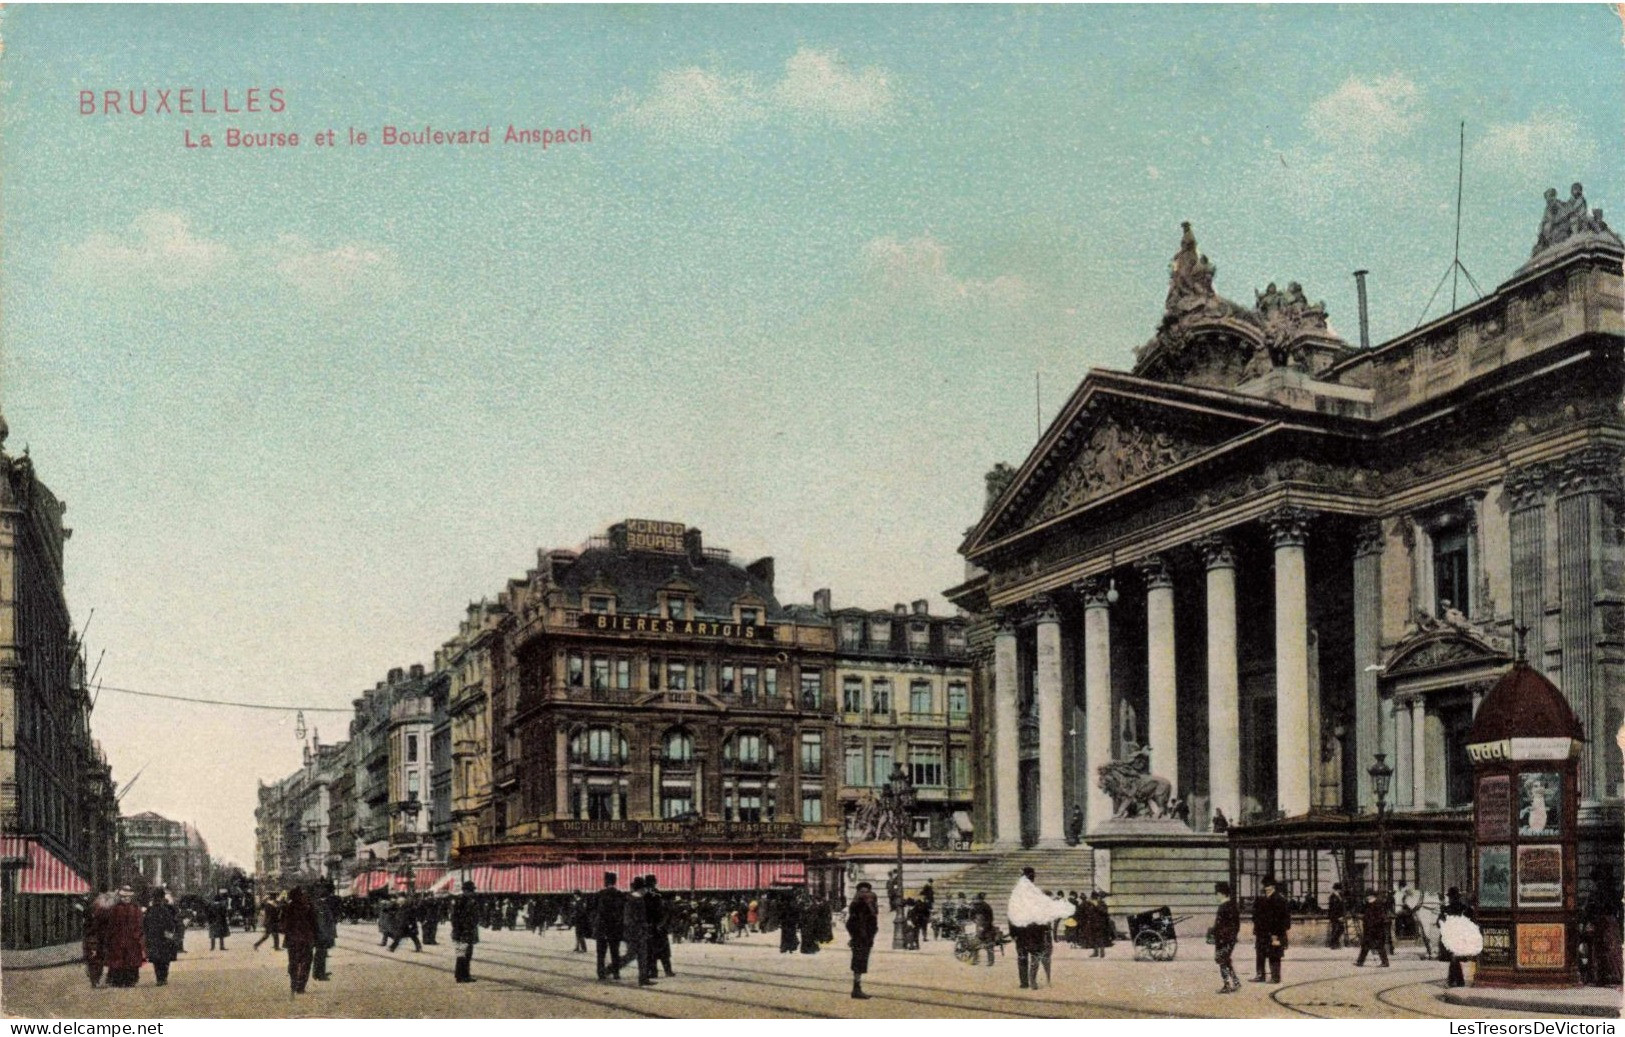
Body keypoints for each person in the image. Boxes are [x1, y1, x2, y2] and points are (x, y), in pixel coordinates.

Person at [1007, 867, 1071, 990]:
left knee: (1023, 957)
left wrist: (1013, 932)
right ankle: (1032, 981)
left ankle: (1025, 982)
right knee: (1034, 955)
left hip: (1022, 932)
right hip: (1033, 932)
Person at [102, 885, 146, 988]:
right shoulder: (115, 909)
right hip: (118, 939)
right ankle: (118, 980)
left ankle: (130, 980)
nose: (126, 899)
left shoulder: (135, 908)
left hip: (131, 939)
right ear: (121, 897)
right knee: (119, 960)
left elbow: (140, 924)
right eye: (124, 897)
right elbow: (111, 924)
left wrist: (138, 935)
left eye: (128, 897)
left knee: (130, 960)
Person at [1251, 877, 1291, 984]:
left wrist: (1277, 934)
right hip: (1262, 933)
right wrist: (1256, 928)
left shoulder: (1280, 900)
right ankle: (1260, 975)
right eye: (1265, 887)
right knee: (1260, 954)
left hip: (1275, 933)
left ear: (1273, 887)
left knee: (1274, 955)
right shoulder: (1261, 899)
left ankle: (1275, 977)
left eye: (1268, 886)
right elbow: (1255, 915)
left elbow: (1284, 919)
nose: (1266, 889)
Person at [142, 888, 183, 987]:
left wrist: (147, 935)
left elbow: (145, 924)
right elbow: (172, 923)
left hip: (154, 937)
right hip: (164, 937)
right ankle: (163, 978)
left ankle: (159, 978)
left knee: (157, 960)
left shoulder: (150, 910)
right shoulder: (167, 909)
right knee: (164, 959)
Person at [846, 880, 879, 1000]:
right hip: (860, 939)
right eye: (863, 892)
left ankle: (857, 988)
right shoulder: (858, 906)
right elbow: (850, 923)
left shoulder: (869, 905)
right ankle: (856, 989)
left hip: (866, 938)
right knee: (858, 963)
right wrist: (857, 936)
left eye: (867, 891)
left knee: (860, 963)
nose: (866, 894)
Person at [282, 886, 318, 996]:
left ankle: (293, 984)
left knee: (293, 962)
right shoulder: (309, 907)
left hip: (293, 939)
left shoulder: (288, 907)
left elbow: (284, 925)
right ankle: (301, 986)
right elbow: (315, 924)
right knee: (306, 963)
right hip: (306, 939)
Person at [594, 872, 626, 981]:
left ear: (606, 881)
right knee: (615, 952)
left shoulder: (599, 894)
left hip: (602, 928)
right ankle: (616, 973)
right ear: (615, 881)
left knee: (601, 953)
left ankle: (601, 973)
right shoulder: (620, 894)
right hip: (615, 928)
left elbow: (595, 911)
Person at [1441, 887, 1475, 987]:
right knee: (1454, 959)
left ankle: (1455, 982)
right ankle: (1456, 981)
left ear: (1451, 898)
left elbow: (1440, 923)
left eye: (1450, 897)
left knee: (1454, 958)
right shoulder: (1465, 908)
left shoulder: (1447, 909)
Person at [1212, 882, 1241, 994]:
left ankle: (1227, 985)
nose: (1216, 896)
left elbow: (1230, 926)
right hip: (1227, 939)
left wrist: (1221, 935)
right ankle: (1236, 981)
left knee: (1221, 960)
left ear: (1222, 893)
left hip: (1224, 940)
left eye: (1217, 893)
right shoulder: (1231, 905)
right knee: (1225, 960)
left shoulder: (1225, 906)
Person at [644, 875, 674, 978]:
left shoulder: (648, 895)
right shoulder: (657, 894)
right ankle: (666, 971)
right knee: (660, 950)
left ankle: (655, 971)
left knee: (653, 951)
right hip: (657, 926)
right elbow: (665, 910)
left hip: (653, 926)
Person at [451, 880, 480, 983]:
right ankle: (462, 976)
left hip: (465, 931)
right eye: (471, 891)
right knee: (464, 954)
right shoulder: (462, 901)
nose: (473, 893)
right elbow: (456, 918)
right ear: (466, 891)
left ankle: (462, 975)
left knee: (464, 954)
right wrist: (460, 930)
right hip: (463, 932)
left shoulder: (465, 900)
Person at [83, 891, 114, 987]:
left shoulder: (97, 911)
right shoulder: (102, 911)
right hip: (96, 937)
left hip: (95, 937)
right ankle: (95, 979)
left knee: (95, 959)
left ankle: (95, 979)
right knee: (97, 959)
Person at [1354, 890, 1390, 967]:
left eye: (1368, 896)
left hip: (1377, 929)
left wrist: (1372, 923)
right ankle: (1360, 962)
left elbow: (1380, 917)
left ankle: (1385, 962)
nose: (1366, 897)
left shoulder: (1378, 904)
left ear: (1372, 896)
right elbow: (1366, 914)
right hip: (1369, 929)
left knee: (1379, 946)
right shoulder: (1368, 904)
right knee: (1365, 946)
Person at [312, 881, 337, 982]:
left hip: (322, 934)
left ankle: (318, 972)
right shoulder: (321, 906)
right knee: (321, 954)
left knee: (321, 953)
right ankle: (320, 974)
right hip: (322, 935)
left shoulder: (321, 904)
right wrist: (325, 935)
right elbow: (321, 923)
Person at [970, 892, 997, 966]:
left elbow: (990, 918)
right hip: (978, 927)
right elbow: (971, 916)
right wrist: (975, 921)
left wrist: (984, 927)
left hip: (987, 928)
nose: (976, 901)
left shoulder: (986, 906)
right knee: (975, 944)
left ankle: (990, 961)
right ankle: (975, 960)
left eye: (978, 900)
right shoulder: (974, 906)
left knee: (989, 945)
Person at [1326, 883, 1346, 949]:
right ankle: (1333, 944)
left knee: (1340, 929)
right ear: (1337, 889)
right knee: (1336, 929)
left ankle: (1335, 943)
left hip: (1338, 916)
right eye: (1339, 889)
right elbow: (1334, 908)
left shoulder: (1339, 896)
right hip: (1335, 916)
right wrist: (1339, 917)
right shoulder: (1333, 897)